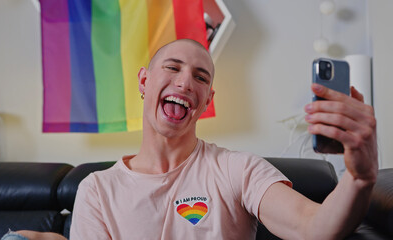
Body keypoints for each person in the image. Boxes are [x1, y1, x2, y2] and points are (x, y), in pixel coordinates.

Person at [68, 39, 377, 239]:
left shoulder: (237, 169)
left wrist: (359, 178)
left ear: (206, 100)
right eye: (173, 68)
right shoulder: (96, 189)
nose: (185, 81)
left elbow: (314, 227)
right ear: (144, 82)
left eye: (200, 77)